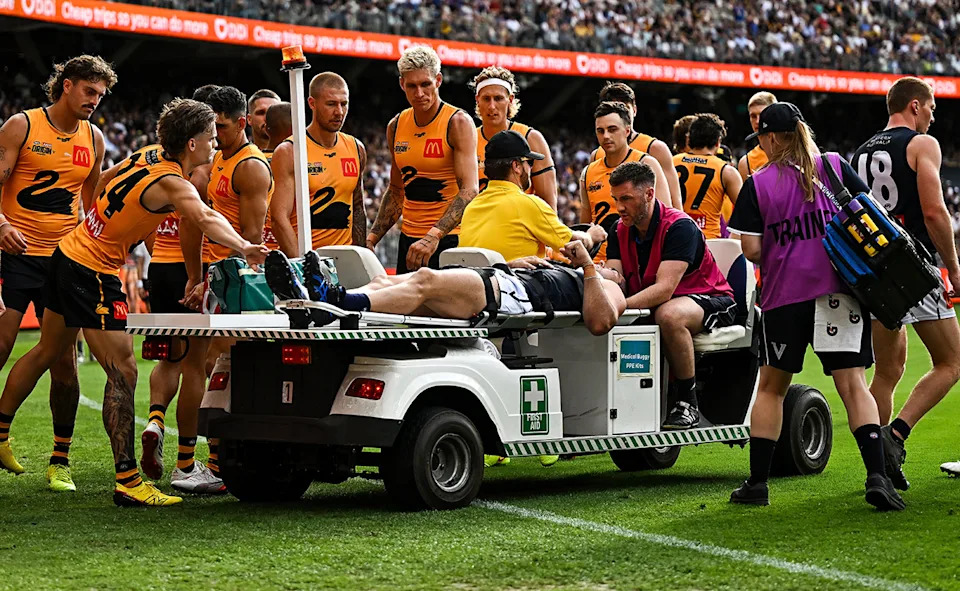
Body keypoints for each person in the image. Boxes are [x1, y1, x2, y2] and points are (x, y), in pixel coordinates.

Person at [0, 98, 268, 506]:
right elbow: (205, 219)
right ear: (192, 144)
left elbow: (103, 180)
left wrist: (101, 220)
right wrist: (246, 246)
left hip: (68, 251)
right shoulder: (174, 183)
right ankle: (127, 480)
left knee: (48, 350)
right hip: (93, 271)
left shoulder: (147, 154)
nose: (215, 147)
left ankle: (0, 433)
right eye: (210, 140)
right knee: (124, 370)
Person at [726, 102, 903, 510]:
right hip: (839, 290)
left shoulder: (759, 182)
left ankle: (757, 484)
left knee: (771, 388)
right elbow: (872, 216)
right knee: (853, 385)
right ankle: (876, 476)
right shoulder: (836, 166)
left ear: (771, 137)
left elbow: (751, 248)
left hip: (783, 296)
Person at [0, 55, 115, 492]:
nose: (95, 101)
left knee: (65, 363)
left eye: (101, 95)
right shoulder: (21, 126)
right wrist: (2, 225)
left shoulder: (95, 138)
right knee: (3, 341)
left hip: (65, 258)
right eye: (89, 91)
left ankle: (59, 460)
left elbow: (91, 203)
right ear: (66, 86)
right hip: (16, 253)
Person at [459, 128, 606, 468]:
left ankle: (498, 442)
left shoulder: (473, 206)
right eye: (527, 164)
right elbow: (573, 248)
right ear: (516, 166)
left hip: (481, 304)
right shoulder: (528, 203)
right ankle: (548, 435)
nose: (529, 170)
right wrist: (595, 232)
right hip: (518, 302)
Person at [851, 77, 960, 490]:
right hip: (913, 267)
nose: (933, 116)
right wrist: (953, 265)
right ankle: (896, 435)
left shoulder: (860, 153)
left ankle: (877, 466)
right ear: (914, 106)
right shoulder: (921, 144)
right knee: (952, 363)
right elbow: (934, 212)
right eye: (931, 107)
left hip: (874, 271)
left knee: (888, 371)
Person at [603, 161, 736, 430]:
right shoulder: (618, 229)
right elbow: (617, 278)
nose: (619, 207)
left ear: (649, 194)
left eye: (626, 199)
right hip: (660, 300)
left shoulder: (679, 227)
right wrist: (593, 273)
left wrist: (618, 308)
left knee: (669, 314)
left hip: (710, 297)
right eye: (616, 199)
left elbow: (664, 289)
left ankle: (688, 401)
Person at [366, 45, 479, 273]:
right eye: (412, 86)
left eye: (425, 84)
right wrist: (372, 238)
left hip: (448, 239)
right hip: (409, 240)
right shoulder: (396, 126)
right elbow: (397, 190)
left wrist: (433, 236)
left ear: (438, 80)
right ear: (402, 85)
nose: (419, 93)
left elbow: (469, 190)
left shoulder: (457, 122)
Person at [270, 73, 365, 255]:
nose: (339, 112)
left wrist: (360, 255)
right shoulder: (290, 151)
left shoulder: (356, 148)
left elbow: (358, 208)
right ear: (312, 103)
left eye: (343, 104)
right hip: (308, 259)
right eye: (331, 104)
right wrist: (304, 266)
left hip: (344, 260)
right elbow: (279, 219)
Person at [580, 102, 670, 260]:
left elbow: (665, 217)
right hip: (599, 260)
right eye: (600, 131)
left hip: (638, 258)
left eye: (612, 129)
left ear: (627, 130)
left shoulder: (647, 164)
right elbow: (586, 224)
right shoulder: (588, 172)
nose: (606, 136)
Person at [472, 66, 557, 209]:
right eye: (486, 99)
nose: (492, 106)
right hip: (478, 225)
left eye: (498, 98)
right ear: (477, 100)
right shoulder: (468, 139)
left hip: (518, 225)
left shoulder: (531, 138)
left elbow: (549, 205)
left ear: (510, 100)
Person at [591, 82, 682, 209]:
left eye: (624, 108)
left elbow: (674, 202)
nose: (620, 114)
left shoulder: (654, 149)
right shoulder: (596, 155)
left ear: (634, 110)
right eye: (614, 110)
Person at [672, 113, 742, 239]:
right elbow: (747, 211)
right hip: (709, 241)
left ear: (689, 139)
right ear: (718, 142)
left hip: (675, 237)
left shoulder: (671, 162)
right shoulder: (725, 171)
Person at [261, 101, 292, 250]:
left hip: (260, 247)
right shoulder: (298, 164)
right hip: (291, 244)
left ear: (266, 130)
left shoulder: (250, 161)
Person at [736, 91, 777, 180]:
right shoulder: (746, 162)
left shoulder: (794, 151)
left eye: (763, 115)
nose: (758, 121)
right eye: (753, 116)